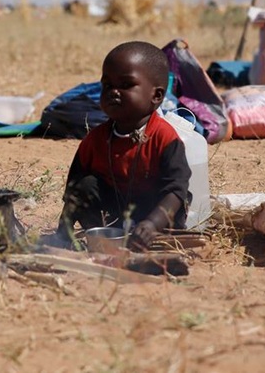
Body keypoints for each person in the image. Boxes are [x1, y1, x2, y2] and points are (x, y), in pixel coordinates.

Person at [50, 41, 191, 250]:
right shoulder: (95, 140)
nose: (113, 92)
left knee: (174, 200)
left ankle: (148, 237)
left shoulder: (164, 138)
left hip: (156, 219)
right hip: (111, 219)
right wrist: (63, 234)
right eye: (107, 85)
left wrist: (152, 224)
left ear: (157, 96)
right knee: (86, 184)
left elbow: (176, 189)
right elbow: (75, 191)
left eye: (126, 85)